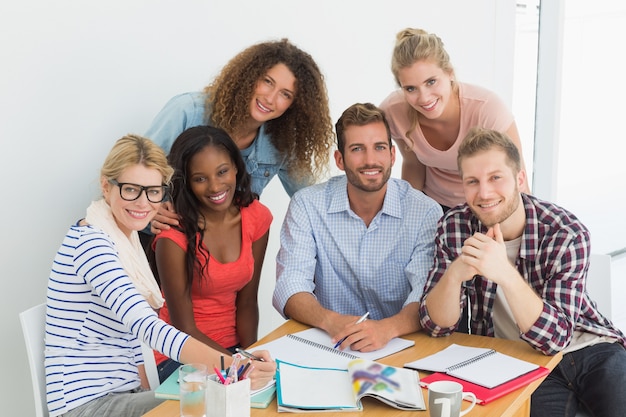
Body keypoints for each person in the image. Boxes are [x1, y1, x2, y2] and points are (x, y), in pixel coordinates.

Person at [44, 135, 275, 417]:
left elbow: (132, 342)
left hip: (124, 395)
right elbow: (149, 328)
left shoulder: (121, 240)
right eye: (131, 189)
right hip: (87, 407)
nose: (143, 203)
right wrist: (237, 365)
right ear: (106, 187)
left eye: (153, 191)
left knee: (216, 400)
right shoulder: (92, 246)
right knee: (213, 404)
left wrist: (238, 363)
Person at [419, 127, 626, 416]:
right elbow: (435, 326)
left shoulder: (566, 232)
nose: (484, 192)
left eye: (495, 178)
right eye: (472, 182)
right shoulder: (454, 227)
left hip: (589, 348)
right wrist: (454, 274)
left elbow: (556, 338)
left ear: (520, 179)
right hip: (519, 360)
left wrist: (503, 271)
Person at [272, 103, 442, 352]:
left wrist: (388, 328)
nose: (370, 160)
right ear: (340, 160)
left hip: (403, 347)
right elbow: (290, 284)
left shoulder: (424, 211)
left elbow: (427, 295)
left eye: (379, 148)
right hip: (331, 346)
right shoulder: (307, 205)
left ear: (393, 155)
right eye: (357, 149)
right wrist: (331, 322)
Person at [145, 38, 334, 234]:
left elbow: (312, 198)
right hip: (162, 241)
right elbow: (133, 170)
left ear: (295, 105)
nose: (270, 99)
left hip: (217, 251)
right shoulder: (188, 111)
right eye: (268, 82)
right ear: (250, 76)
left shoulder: (282, 143)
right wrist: (150, 206)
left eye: (285, 94)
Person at [150, 126, 273, 382]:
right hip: (179, 356)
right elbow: (183, 328)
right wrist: (241, 366)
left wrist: (250, 358)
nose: (215, 186)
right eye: (200, 178)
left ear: (236, 167)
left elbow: (248, 302)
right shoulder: (173, 236)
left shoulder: (255, 216)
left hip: (233, 351)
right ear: (186, 182)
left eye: (222, 171)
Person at [380, 27, 530, 212]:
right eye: (410, 89)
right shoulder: (394, 111)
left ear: (449, 73)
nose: (424, 98)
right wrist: (408, 218)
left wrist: (522, 232)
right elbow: (413, 164)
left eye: (431, 82)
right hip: (433, 207)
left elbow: (518, 180)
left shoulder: (486, 108)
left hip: (487, 206)